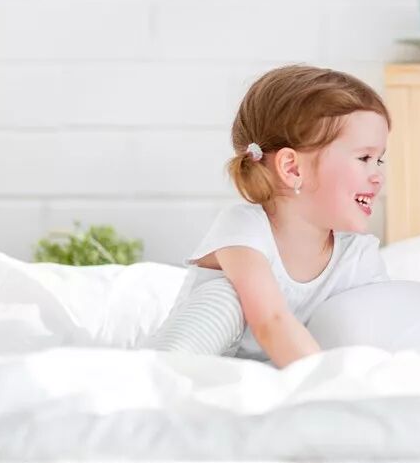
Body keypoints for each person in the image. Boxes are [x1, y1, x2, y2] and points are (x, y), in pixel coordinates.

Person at [146, 65, 390, 367]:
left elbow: (378, 332)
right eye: (364, 158)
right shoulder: (244, 229)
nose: (378, 176)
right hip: (192, 368)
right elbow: (271, 322)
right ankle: (156, 372)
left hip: (283, 372)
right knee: (226, 296)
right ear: (292, 168)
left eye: (379, 160)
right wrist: (326, 382)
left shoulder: (358, 256)